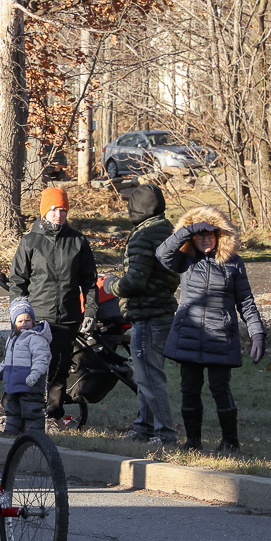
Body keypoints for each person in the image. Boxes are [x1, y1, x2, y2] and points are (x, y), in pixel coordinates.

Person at [156, 207, 266, 453]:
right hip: (189, 335)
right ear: (193, 237)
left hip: (220, 336)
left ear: (219, 237)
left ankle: (230, 442)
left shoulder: (233, 263)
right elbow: (162, 254)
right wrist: (186, 230)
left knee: (220, 388)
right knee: (189, 389)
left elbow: (245, 301)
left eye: (210, 234)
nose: (206, 239)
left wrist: (257, 333)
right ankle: (193, 441)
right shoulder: (185, 260)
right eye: (200, 235)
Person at [9, 187, 97, 421]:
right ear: (44, 212)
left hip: (67, 318)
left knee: (59, 369)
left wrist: (90, 310)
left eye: (62, 209)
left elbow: (89, 281)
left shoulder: (77, 241)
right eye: (53, 209)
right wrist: (18, 314)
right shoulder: (30, 242)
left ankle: (52, 416)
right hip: (36, 318)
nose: (58, 214)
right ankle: (15, 414)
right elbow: (18, 281)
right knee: (28, 367)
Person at [113, 183, 180, 444]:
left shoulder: (144, 236)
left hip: (148, 316)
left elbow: (135, 282)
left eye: (130, 204)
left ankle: (164, 434)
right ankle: (143, 428)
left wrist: (111, 285)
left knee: (150, 378)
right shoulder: (169, 231)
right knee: (146, 376)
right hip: (164, 312)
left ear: (139, 208)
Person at [0, 298, 53, 436]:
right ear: (14, 323)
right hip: (14, 384)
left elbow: (42, 359)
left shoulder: (36, 338)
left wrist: (35, 374)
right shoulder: (12, 339)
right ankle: (11, 432)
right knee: (12, 410)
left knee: (31, 409)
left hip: (30, 384)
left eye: (27, 320)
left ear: (33, 320)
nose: (24, 324)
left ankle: (34, 434)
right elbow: (7, 362)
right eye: (20, 321)